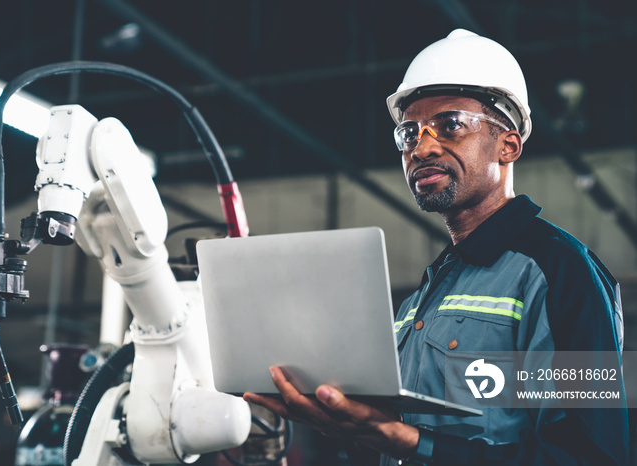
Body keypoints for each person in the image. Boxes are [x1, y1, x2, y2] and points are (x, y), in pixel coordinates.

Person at [243, 29, 629, 465]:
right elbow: (393, 439)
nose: (421, 147)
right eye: (409, 133)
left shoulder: (560, 271)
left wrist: (409, 440)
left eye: (450, 126)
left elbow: (593, 456)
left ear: (508, 145)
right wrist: (345, 425)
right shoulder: (418, 303)